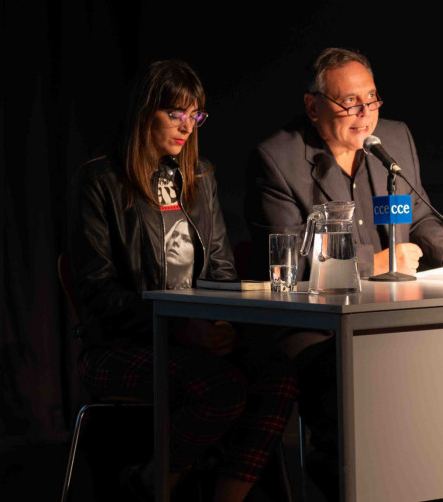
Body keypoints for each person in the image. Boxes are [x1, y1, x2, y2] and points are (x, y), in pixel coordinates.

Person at [68, 60, 297, 502]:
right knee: (224, 387)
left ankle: (226, 494)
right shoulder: (99, 181)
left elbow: (221, 271)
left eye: (195, 116)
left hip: (192, 339)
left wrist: (223, 324)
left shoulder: (199, 176)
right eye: (175, 114)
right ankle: (154, 480)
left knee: (279, 377)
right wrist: (176, 325)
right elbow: (97, 291)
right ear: (144, 112)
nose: (187, 126)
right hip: (119, 346)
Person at [246, 47, 443, 278]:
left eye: (371, 97)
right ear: (313, 107)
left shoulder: (395, 140)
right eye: (350, 100)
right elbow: (286, 256)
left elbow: (418, 219)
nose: (365, 112)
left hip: (396, 302)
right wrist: (371, 264)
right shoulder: (278, 161)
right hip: (325, 307)